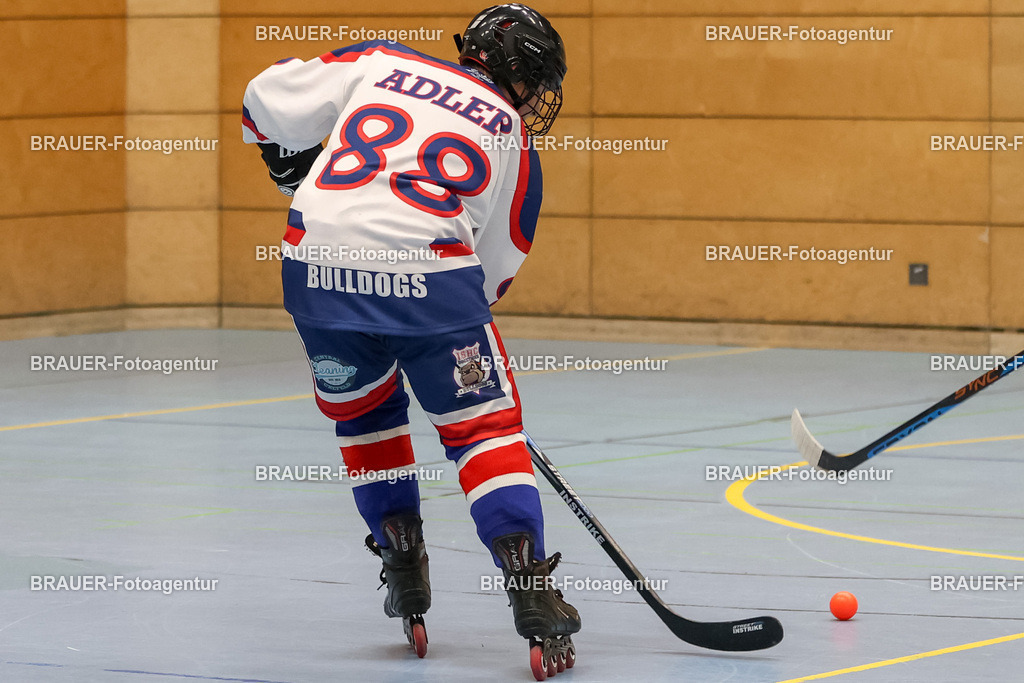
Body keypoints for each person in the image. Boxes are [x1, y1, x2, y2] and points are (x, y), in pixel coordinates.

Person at [242, 4, 578, 679]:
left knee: (365, 413)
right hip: (432, 278)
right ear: (520, 74)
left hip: (315, 265)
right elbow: (498, 266)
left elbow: (263, 98)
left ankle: (404, 569)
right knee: (484, 432)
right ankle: (533, 597)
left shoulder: (383, 60)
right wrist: (452, 344)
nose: (539, 99)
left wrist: (285, 162)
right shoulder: (510, 131)